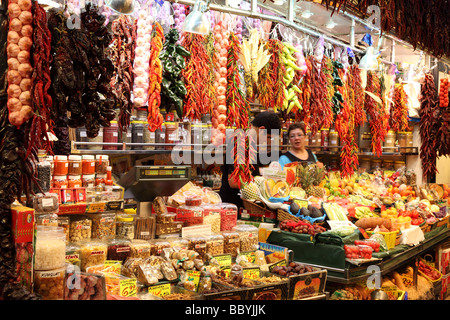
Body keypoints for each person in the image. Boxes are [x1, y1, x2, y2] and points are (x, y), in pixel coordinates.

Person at [219, 111, 282, 209]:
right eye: (268, 137)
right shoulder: (240, 141)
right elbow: (233, 182)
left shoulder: (251, 143)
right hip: (233, 208)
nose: (268, 142)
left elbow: (251, 172)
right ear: (261, 130)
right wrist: (262, 183)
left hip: (246, 206)